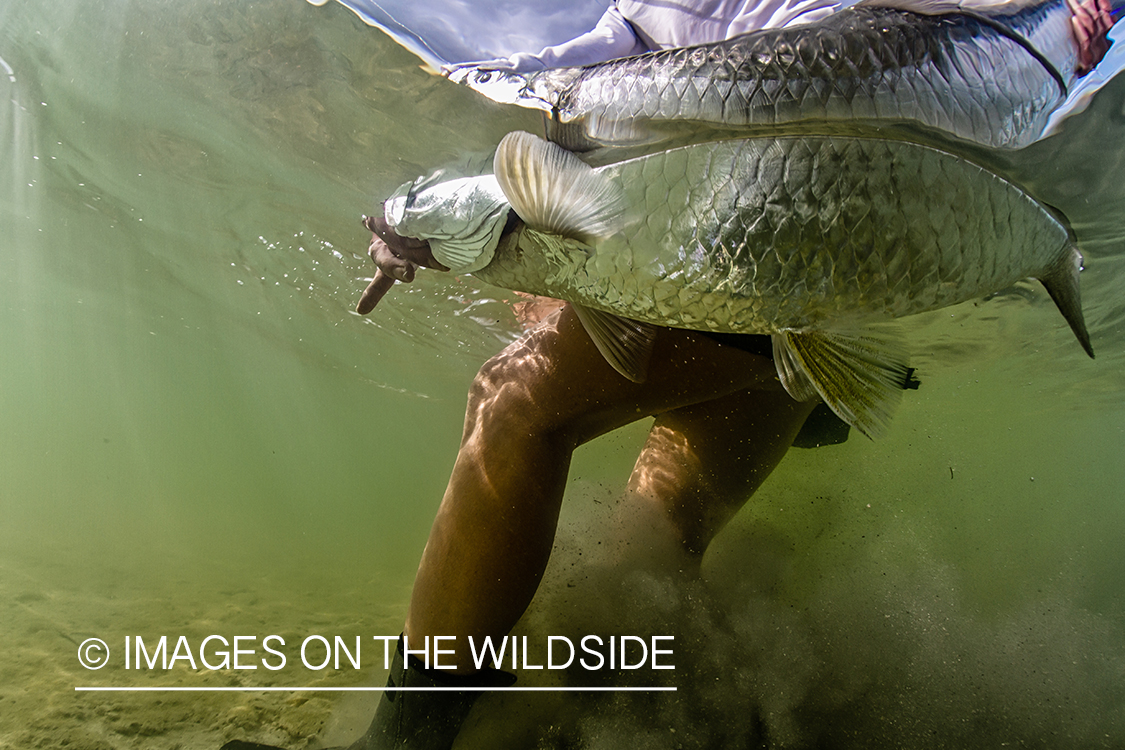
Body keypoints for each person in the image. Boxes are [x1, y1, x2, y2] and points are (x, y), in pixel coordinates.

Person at [222, 1, 1115, 749]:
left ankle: (406, 741)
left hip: (729, 243)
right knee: (663, 526)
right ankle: (613, 715)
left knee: (514, 409)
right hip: (813, 267)